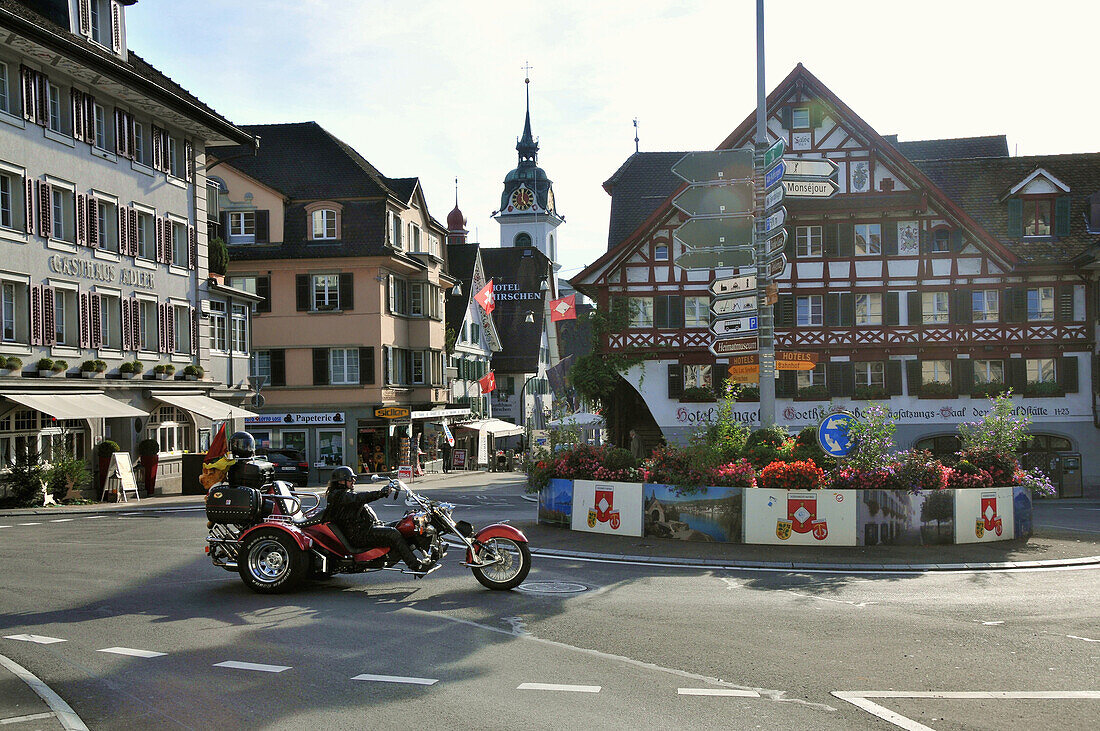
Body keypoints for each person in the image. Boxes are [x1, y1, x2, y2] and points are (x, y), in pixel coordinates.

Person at [321, 466, 432, 572]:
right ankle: (416, 566)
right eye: (351, 479)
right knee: (393, 534)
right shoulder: (337, 496)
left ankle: (430, 553)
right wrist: (380, 493)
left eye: (354, 478)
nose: (353, 481)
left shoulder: (343, 494)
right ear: (341, 481)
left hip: (365, 529)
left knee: (402, 525)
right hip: (358, 535)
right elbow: (361, 498)